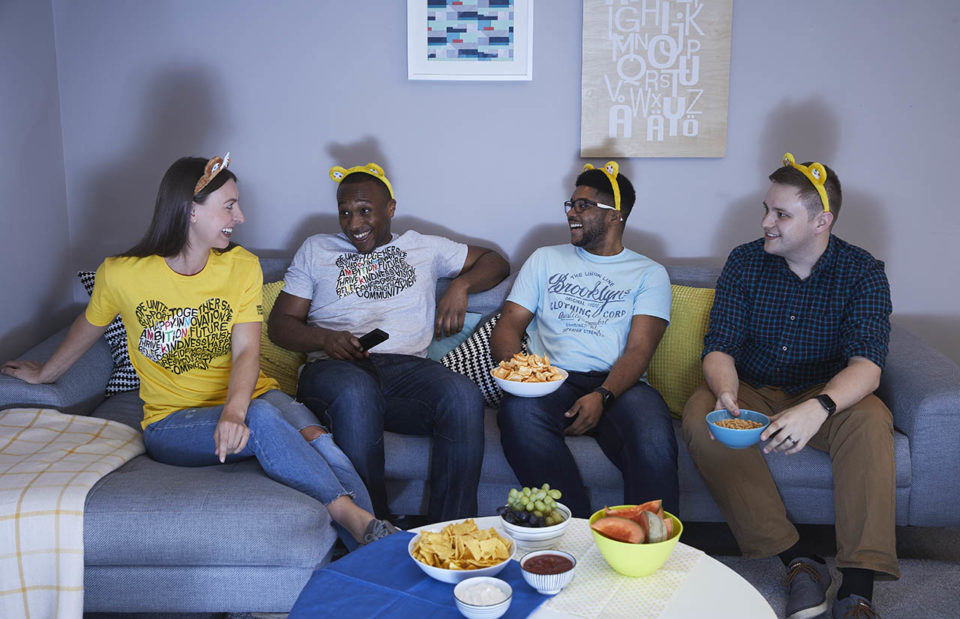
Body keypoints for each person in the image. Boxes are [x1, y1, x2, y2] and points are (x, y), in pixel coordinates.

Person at [1, 154, 396, 549]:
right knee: (260, 418)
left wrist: (232, 411)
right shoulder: (121, 274)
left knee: (320, 441)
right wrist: (45, 375)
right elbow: (89, 326)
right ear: (190, 211)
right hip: (173, 422)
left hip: (255, 396)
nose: (239, 216)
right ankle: (356, 520)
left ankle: (377, 546)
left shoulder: (241, 266)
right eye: (229, 205)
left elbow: (246, 352)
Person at [681, 153, 896, 618]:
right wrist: (724, 391)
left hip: (825, 393)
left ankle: (857, 589)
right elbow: (719, 347)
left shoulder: (862, 272)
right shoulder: (743, 262)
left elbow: (868, 366)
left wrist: (819, 405)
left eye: (780, 214)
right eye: (766, 210)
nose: (766, 223)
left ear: (822, 221)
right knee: (701, 416)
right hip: (752, 388)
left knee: (873, 419)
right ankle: (799, 561)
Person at [267, 162, 510, 522]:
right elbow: (280, 325)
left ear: (390, 209)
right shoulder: (316, 249)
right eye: (345, 213)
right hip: (333, 371)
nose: (354, 224)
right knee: (355, 392)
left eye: (365, 211)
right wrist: (324, 338)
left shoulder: (423, 248)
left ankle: (450, 529)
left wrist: (460, 287)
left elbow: (496, 262)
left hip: (405, 372)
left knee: (462, 394)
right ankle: (371, 530)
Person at [490, 161, 679, 519]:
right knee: (518, 415)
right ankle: (573, 527)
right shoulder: (545, 259)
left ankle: (649, 546)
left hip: (621, 385)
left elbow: (640, 349)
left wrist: (603, 395)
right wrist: (519, 372)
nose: (571, 214)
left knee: (653, 438)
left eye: (583, 206)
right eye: (570, 205)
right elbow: (509, 323)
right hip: (551, 379)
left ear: (615, 216)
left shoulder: (649, 273)